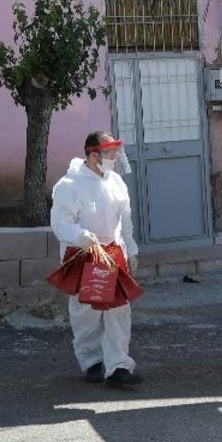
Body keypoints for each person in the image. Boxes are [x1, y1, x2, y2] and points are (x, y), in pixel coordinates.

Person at [50, 132, 143, 388]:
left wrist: (131, 250)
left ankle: (118, 367)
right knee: (86, 312)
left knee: (118, 310)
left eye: (115, 152)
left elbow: (126, 221)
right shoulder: (69, 185)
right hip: (83, 255)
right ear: (93, 155)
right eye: (109, 153)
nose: (114, 158)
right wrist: (80, 236)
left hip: (112, 254)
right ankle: (91, 360)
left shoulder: (116, 182)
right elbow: (60, 223)